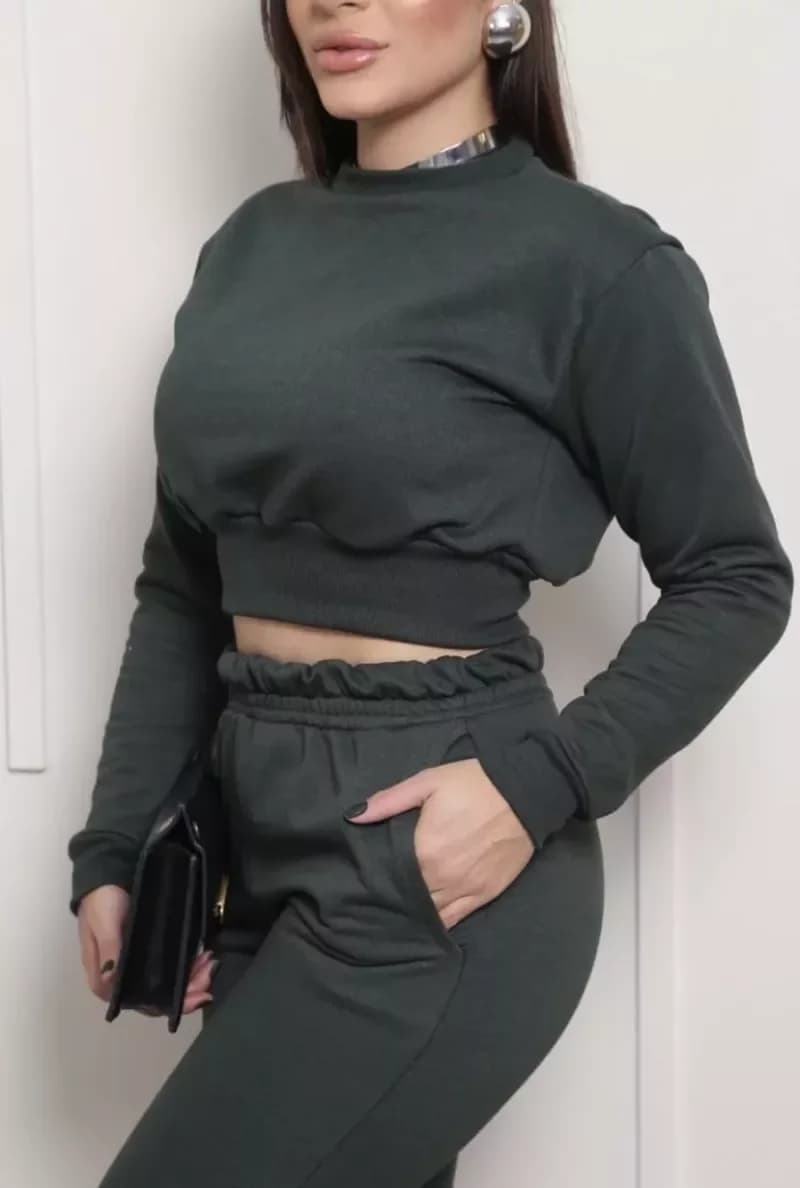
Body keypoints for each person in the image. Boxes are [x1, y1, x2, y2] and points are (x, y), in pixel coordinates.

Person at [66, 2, 793, 1185]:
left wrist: (537, 782)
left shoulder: (594, 262)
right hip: (252, 846)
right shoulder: (249, 248)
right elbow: (184, 584)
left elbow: (735, 575)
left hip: (438, 846)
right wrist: (116, 846)